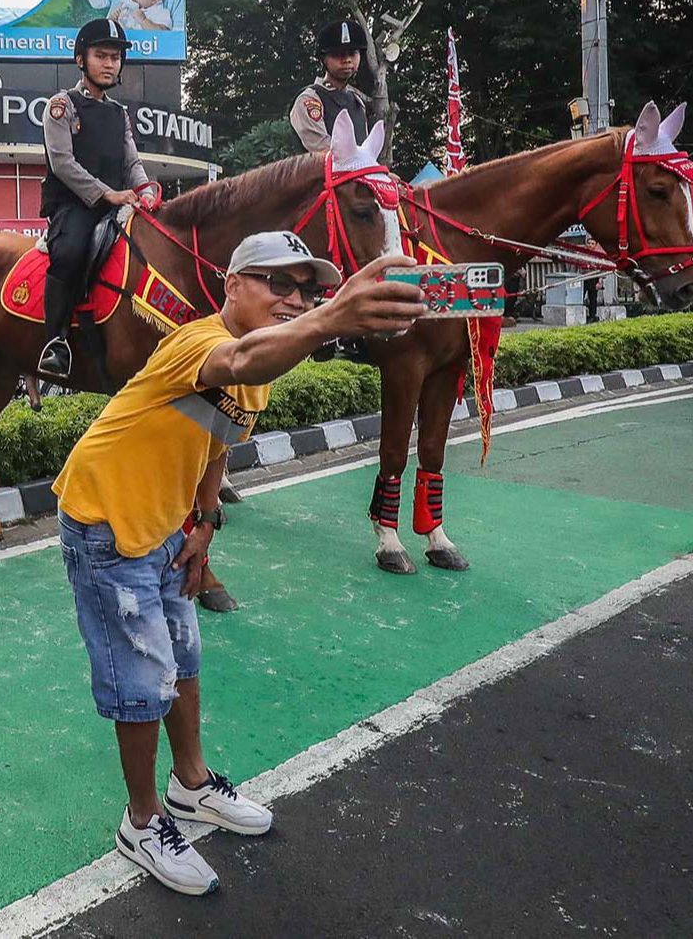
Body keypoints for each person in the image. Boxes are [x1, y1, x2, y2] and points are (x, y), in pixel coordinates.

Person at [54, 232, 424, 896]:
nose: (293, 298)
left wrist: (203, 522)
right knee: (142, 679)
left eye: (305, 288)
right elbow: (241, 359)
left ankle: (190, 783)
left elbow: (217, 437)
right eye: (275, 283)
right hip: (107, 522)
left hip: (169, 527)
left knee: (184, 661)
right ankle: (141, 821)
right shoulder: (202, 343)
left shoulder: (261, 369)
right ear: (231, 284)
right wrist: (332, 315)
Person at [38, 18, 153, 380]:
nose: (109, 64)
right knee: (71, 251)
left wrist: (147, 192)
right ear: (80, 59)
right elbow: (62, 163)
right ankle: (55, 342)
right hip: (74, 206)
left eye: (115, 57)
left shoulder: (119, 114)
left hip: (118, 202)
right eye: (101, 55)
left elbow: (131, 161)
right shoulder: (61, 106)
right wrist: (107, 193)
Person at [290, 17, 370, 152]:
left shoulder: (357, 101)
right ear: (323, 59)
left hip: (359, 171)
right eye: (338, 54)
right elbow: (325, 151)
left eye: (352, 53)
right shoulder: (310, 99)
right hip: (324, 173)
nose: (347, 60)